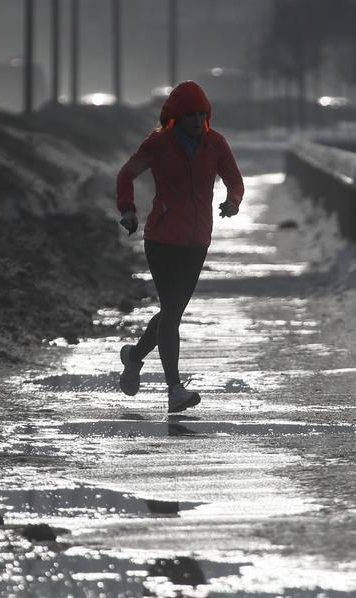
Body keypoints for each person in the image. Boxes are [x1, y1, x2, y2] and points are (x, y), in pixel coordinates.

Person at [115, 80, 244, 413]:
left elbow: (235, 181)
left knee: (171, 312)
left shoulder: (215, 144)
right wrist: (127, 209)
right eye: (190, 114)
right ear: (175, 116)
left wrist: (233, 202)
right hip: (162, 238)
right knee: (172, 312)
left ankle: (133, 357)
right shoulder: (159, 144)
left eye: (202, 113)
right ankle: (174, 390)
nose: (197, 120)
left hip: (197, 240)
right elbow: (126, 174)